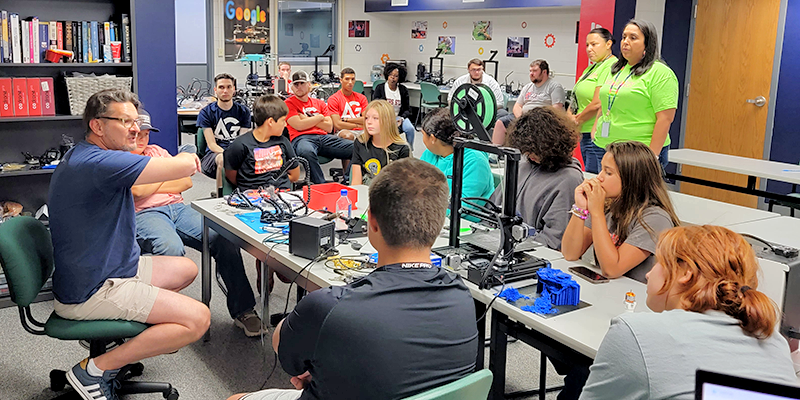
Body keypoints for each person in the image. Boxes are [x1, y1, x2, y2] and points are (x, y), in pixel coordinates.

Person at [227, 158, 479, 400]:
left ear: (372, 223)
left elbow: (284, 351)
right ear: (438, 225)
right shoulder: (463, 297)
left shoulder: (327, 306)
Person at [48, 89, 210, 400]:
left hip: (109, 267)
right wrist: (191, 150)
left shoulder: (86, 155)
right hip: (91, 290)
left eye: (137, 122)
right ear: (97, 126)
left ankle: (128, 332)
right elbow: (187, 167)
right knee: (198, 319)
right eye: (125, 122)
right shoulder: (100, 162)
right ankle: (94, 369)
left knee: (185, 268)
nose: (135, 129)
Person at [579, 225, 797, 399]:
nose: (648, 274)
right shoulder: (773, 340)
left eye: (658, 263)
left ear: (686, 273)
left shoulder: (634, 333)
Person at [131, 109, 262, 338]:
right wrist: (167, 176)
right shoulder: (121, 158)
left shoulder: (158, 151)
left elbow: (186, 182)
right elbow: (137, 192)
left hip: (179, 209)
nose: (142, 139)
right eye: (136, 134)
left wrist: (154, 179)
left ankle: (243, 309)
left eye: (145, 134)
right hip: (146, 214)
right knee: (170, 249)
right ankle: (164, 314)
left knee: (224, 237)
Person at [561, 141, 680, 282]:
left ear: (632, 179)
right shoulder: (609, 205)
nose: (599, 177)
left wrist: (597, 213)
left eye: (608, 172)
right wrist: (580, 208)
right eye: (601, 170)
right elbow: (570, 253)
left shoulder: (655, 218)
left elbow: (612, 269)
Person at [490, 107, 583, 250]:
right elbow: (492, 208)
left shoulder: (569, 180)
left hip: (532, 254)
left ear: (550, 145)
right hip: (502, 245)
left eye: (534, 150)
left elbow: (554, 240)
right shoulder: (523, 165)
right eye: (526, 150)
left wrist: (512, 239)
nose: (529, 154)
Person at [592, 19, 678, 170]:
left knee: (633, 194)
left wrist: (652, 157)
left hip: (638, 154)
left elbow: (665, 118)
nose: (625, 42)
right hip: (606, 147)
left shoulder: (660, 73)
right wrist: (595, 129)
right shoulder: (615, 69)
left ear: (647, 43)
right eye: (624, 37)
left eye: (633, 38)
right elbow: (606, 101)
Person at [420, 107, 494, 216]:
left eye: (423, 134)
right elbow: (415, 187)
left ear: (432, 138)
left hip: (467, 225)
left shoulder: (475, 162)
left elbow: (460, 207)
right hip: (432, 217)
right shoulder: (429, 154)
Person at [285, 71, 352, 184]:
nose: (299, 87)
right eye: (296, 84)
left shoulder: (319, 103)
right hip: (301, 138)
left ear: (309, 85)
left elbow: (329, 127)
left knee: (358, 148)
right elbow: (299, 126)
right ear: (292, 87)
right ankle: (320, 184)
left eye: (302, 83)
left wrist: (306, 119)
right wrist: (319, 117)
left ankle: (347, 181)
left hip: (323, 138)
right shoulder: (288, 103)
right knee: (307, 151)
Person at [224, 94, 300, 190]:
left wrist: (277, 183)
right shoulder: (240, 145)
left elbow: (295, 175)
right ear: (271, 122)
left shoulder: (283, 142)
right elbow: (232, 176)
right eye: (283, 120)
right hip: (253, 197)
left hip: (281, 194)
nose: (285, 125)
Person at [197, 73, 252, 194]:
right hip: (213, 155)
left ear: (234, 90)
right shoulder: (206, 113)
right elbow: (212, 144)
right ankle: (221, 196)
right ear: (215, 90)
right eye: (221, 87)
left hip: (238, 151)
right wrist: (230, 154)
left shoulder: (244, 112)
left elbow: (242, 140)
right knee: (224, 159)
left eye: (229, 87)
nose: (225, 91)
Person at [572, 28, 617, 173]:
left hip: (596, 133)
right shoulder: (591, 68)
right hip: (583, 130)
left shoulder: (611, 65)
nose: (589, 49)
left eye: (594, 44)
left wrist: (576, 121)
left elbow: (598, 102)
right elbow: (575, 96)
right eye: (587, 45)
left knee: (594, 178)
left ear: (608, 44)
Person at [492, 59, 565, 145]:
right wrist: (521, 119)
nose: (531, 74)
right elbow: (517, 106)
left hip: (541, 120)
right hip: (524, 117)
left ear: (544, 72)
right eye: (530, 71)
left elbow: (556, 109)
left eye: (535, 71)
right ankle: (494, 155)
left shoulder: (554, 87)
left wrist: (535, 119)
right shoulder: (527, 87)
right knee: (501, 123)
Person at [350, 100, 410, 186]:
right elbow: (356, 182)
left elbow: (402, 186)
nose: (369, 122)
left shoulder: (401, 148)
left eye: (375, 118)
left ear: (387, 121)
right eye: (366, 118)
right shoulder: (360, 142)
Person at [371, 63, 417, 150]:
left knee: (410, 129)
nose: (393, 78)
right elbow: (376, 105)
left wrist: (402, 118)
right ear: (387, 75)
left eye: (396, 76)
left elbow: (407, 109)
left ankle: (409, 150)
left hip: (399, 117)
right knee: (390, 131)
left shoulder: (403, 90)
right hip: (385, 117)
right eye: (391, 75)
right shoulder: (380, 88)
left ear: (399, 78)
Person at [326, 67, 369, 141]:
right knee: (348, 136)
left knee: (377, 134)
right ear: (341, 80)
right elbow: (338, 125)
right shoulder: (334, 99)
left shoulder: (362, 98)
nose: (350, 82)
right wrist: (358, 125)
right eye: (347, 79)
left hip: (361, 130)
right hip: (343, 130)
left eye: (352, 79)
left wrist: (347, 120)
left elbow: (367, 119)